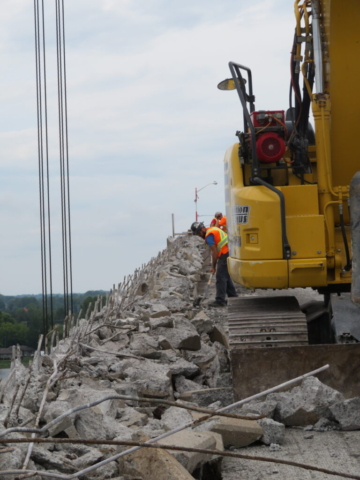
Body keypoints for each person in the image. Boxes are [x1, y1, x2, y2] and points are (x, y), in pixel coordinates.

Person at [191, 221, 237, 307]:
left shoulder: (208, 236)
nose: (199, 236)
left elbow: (214, 252)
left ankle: (220, 301)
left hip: (225, 252)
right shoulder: (211, 230)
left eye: (198, 234)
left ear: (201, 231)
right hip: (230, 250)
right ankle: (233, 296)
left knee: (220, 276)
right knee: (225, 276)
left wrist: (213, 267)